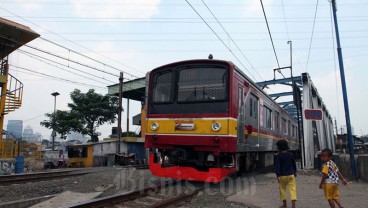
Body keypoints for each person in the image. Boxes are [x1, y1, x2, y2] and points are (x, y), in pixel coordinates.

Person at [275, 139, 297, 208]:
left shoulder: (278, 156)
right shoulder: (291, 155)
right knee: (292, 190)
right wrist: (295, 172)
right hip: (291, 175)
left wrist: (278, 175)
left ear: (279, 148)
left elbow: (277, 167)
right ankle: (293, 206)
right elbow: (294, 164)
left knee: (282, 189)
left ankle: (285, 205)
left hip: (282, 176)